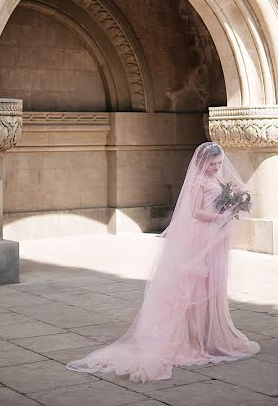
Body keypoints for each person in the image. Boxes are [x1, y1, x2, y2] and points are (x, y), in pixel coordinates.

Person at [67, 141, 260, 383]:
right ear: (202, 163)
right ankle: (191, 338)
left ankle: (210, 335)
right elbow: (194, 212)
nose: (216, 168)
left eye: (219, 164)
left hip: (215, 238)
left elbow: (223, 198)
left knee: (213, 283)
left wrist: (234, 205)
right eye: (212, 164)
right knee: (195, 286)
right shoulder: (198, 182)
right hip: (202, 235)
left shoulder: (218, 181)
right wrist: (223, 216)